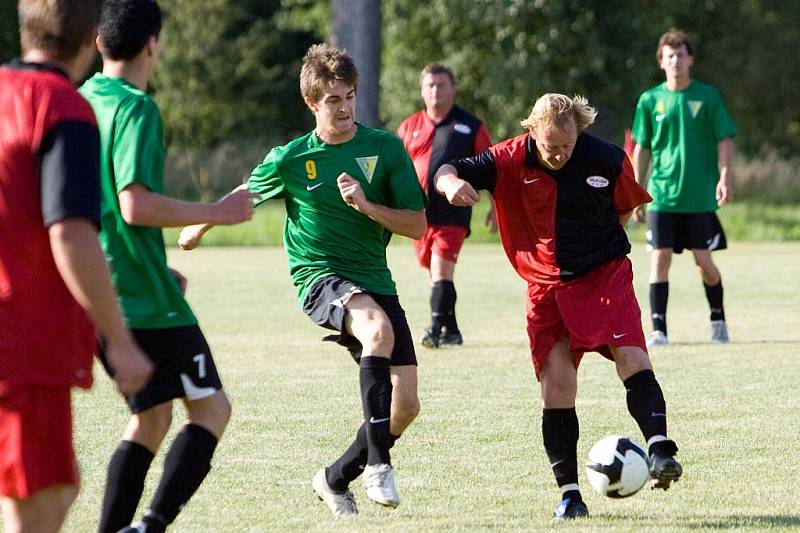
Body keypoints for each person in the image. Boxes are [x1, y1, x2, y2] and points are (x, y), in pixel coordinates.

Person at [178, 43, 426, 518]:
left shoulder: (385, 147)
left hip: (375, 278)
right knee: (377, 330)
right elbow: (245, 193)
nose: (346, 108)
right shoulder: (292, 158)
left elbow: (416, 225)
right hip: (319, 277)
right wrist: (201, 224)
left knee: (406, 406)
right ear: (312, 104)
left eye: (350, 96)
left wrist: (368, 206)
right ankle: (378, 463)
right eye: (333, 100)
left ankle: (333, 479)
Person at [433, 93, 683, 520]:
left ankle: (660, 447)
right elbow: (447, 168)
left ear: (578, 133)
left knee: (632, 355)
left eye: (566, 146)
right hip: (545, 288)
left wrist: (592, 248)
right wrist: (450, 184)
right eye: (549, 146)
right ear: (532, 130)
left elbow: (623, 209)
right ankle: (569, 494)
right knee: (558, 385)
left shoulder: (606, 159)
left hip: (603, 274)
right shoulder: (509, 157)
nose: (558, 154)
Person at [79, 1, 258, 531]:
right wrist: (218, 213)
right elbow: (134, 204)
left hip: (99, 289)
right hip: (144, 302)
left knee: (152, 417)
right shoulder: (136, 108)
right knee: (211, 411)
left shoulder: (81, 101)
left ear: (98, 43)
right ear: (153, 43)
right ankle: (152, 525)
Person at [0, 1, 153, 532]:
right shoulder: (61, 106)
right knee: (40, 501)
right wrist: (121, 340)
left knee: (55, 489)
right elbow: (71, 233)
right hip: (22, 344)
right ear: (92, 37)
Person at [631, 28, 737, 347]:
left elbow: (725, 139)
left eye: (680, 55)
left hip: (699, 196)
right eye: (669, 56)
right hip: (662, 195)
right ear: (661, 62)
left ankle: (718, 318)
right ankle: (658, 329)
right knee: (659, 259)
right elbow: (642, 149)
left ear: (690, 59)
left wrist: (725, 176)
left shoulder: (708, 97)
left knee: (704, 263)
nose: (675, 60)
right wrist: (637, 192)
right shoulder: (650, 100)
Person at [397, 63, 493, 348]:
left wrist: (495, 209)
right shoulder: (408, 127)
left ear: (453, 89)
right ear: (422, 90)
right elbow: (396, 170)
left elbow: (492, 170)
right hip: (418, 214)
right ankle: (452, 330)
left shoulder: (470, 126)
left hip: (453, 212)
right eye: (430, 85)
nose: (435, 90)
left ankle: (435, 328)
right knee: (434, 275)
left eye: (441, 85)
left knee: (441, 271)